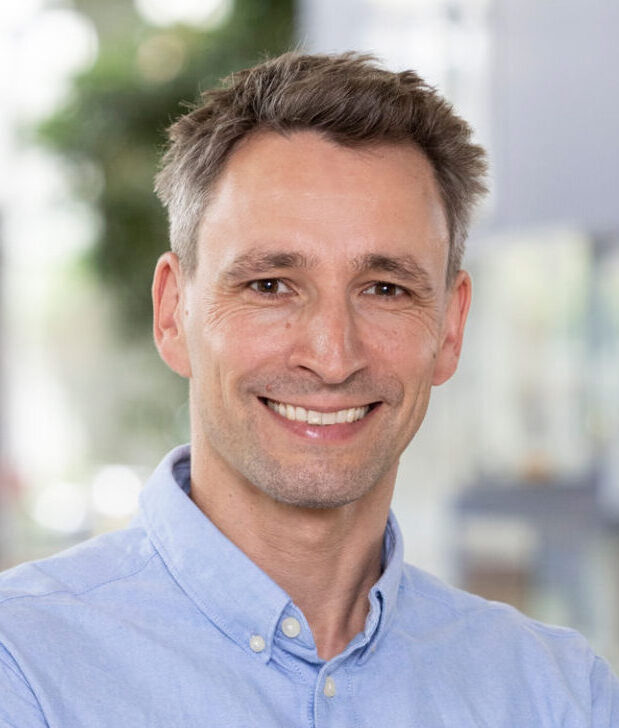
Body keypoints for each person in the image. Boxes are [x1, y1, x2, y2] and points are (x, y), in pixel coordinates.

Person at [0, 51, 616, 727]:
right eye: (269, 286)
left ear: (449, 326)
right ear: (173, 312)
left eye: (384, 289)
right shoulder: (26, 666)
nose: (331, 356)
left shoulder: (557, 694)